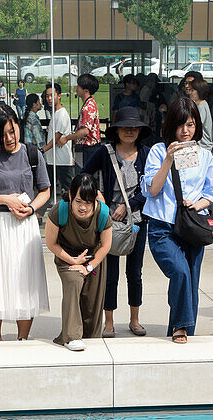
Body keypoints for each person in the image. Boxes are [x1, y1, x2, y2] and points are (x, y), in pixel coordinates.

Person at [0, 105, 50, 341]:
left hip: (24, 226)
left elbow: (45, 190)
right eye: (3, 134)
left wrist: (32, 208)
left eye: (12, 131)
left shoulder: (33, 154)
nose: (9, 138)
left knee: (25, 280)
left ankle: (23, 338)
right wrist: (6, 199)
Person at [142, 96, 213, 343]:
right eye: (181, 125)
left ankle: (183, 330)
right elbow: (152, 190)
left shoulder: (205, 155)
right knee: (181, 273)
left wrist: (199, 204)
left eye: (191, 125)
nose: (186, 131)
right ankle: (181, 327)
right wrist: (168, 159)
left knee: (191, 280)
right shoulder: (157, 151)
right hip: (162, 226)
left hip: (193, 223)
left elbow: (212, 192)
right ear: (171, 125)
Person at [84, 107, 151, 337]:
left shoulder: (146, 153)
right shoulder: (105, 152)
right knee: (109, 274)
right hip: (109, 222)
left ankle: (134, 319)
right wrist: (98, 196)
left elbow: (151, 188)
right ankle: (109, 322)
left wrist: (129, 204)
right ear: (117, 130)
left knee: (135, 272)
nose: (129, 131)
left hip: (136, 222)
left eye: (134, 128)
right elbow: (84, 175)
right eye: (125, 127)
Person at [44, 171, 112, 351]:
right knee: (73, 282)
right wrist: (73, 261)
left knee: (93, 301)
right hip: (67, 256)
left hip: (94, 258)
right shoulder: (59, 210)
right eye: (79, 201)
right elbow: (51, 243)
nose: (83, 207)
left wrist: (88, 266)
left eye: (88, 202)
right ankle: (71, 336)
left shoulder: (103, 212)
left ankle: (91, 336)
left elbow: (106, 246)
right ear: (71, 196)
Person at [44, 82, 75, 196]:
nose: (49, 98)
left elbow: (57, 137)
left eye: (52, 95)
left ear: (59, 95)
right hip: (53, 160)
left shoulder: (62, 114)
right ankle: (42, 212)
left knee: (67, 190)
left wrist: (43, 150)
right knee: (48, 188)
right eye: (47, 96)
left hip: (62, 160)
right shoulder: (55, 113)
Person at [62, 74, 100, 166]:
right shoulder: (88, 104)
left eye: (79, 86)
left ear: (86, 90)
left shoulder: (88, 107)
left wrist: (67, 138)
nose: (76, 88)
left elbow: (85, 131)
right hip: (88, 148)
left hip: (89, 148)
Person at [186, 75, 213, 152]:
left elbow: (195, 124)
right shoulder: (197, 105)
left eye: (193, 90)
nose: (190, 93)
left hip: (204, 147)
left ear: (199, 91)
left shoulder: (202, 106)